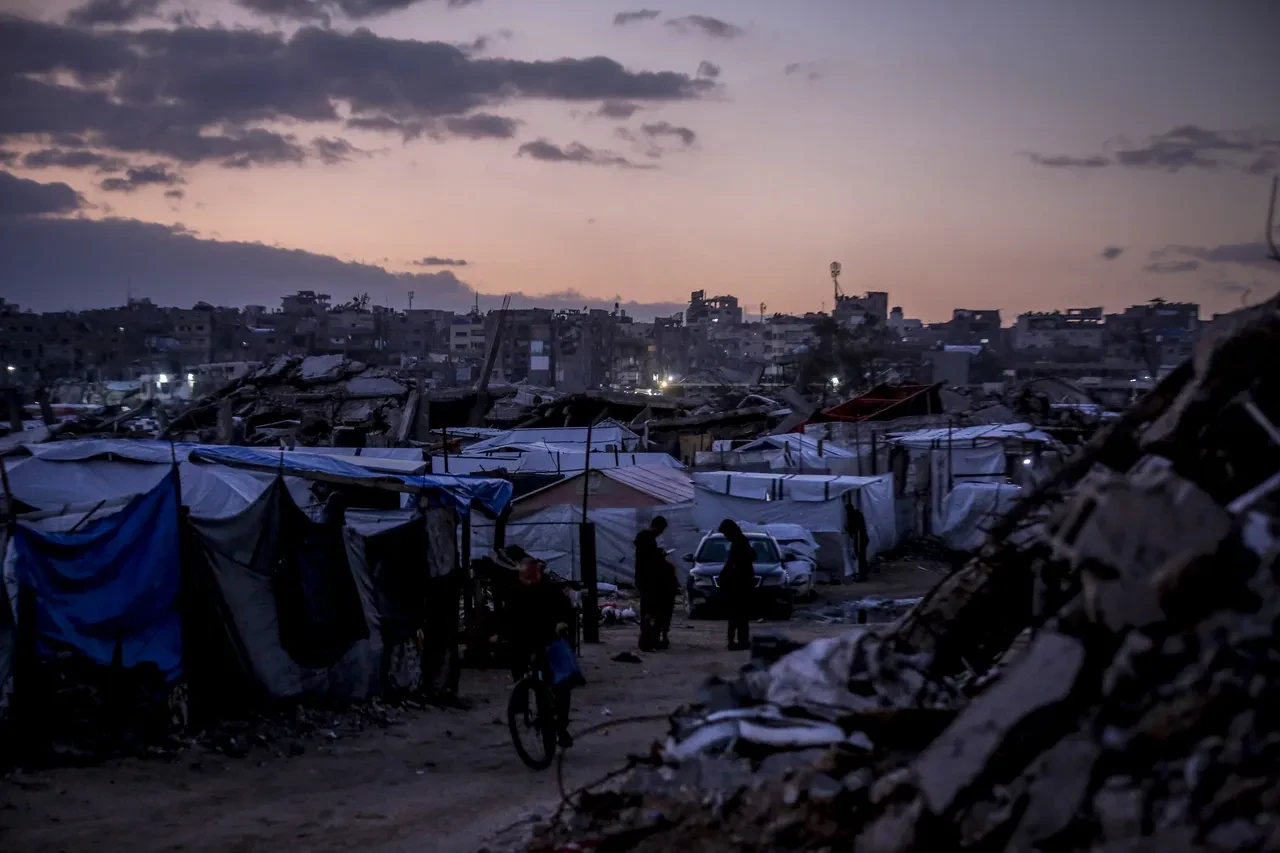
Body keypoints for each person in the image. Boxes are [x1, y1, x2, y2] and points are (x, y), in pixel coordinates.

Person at [505, 557, 578, 747]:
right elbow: (509, 618)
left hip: (548, 641)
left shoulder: (549, 589)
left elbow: (566, 611)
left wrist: (561, 623)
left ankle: (560, 726)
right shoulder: (514, 591)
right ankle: (525, 709)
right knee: (525, 677)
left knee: (561, 684)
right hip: (524, 643)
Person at [635, 516, 677, 651]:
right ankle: (649, 640)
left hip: (645, 581)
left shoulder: (644, 540)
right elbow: (651, 561)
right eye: (661, 529)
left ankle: (649, 639)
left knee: (648, 611)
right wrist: (660, 555)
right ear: (657, 526)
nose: (661, 533)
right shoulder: (648, 540)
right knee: (652, 611)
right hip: (651, 582)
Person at [716, 519, 756, 651]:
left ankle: (737, 641)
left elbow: (734, 563)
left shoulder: (739, 543)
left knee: (737, 615)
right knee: (739, 615)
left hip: (739, 585)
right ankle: (738, 641)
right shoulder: (740, 541)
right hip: (739, 584)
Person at [844, 500, 870, 582]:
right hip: (861, 538)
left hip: (860, 539)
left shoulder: (854, 516)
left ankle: (862, 575)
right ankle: (862, 574)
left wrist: (848, 529)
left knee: (860, 557)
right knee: (861, 557)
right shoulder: (857, 514)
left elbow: (854, 529)